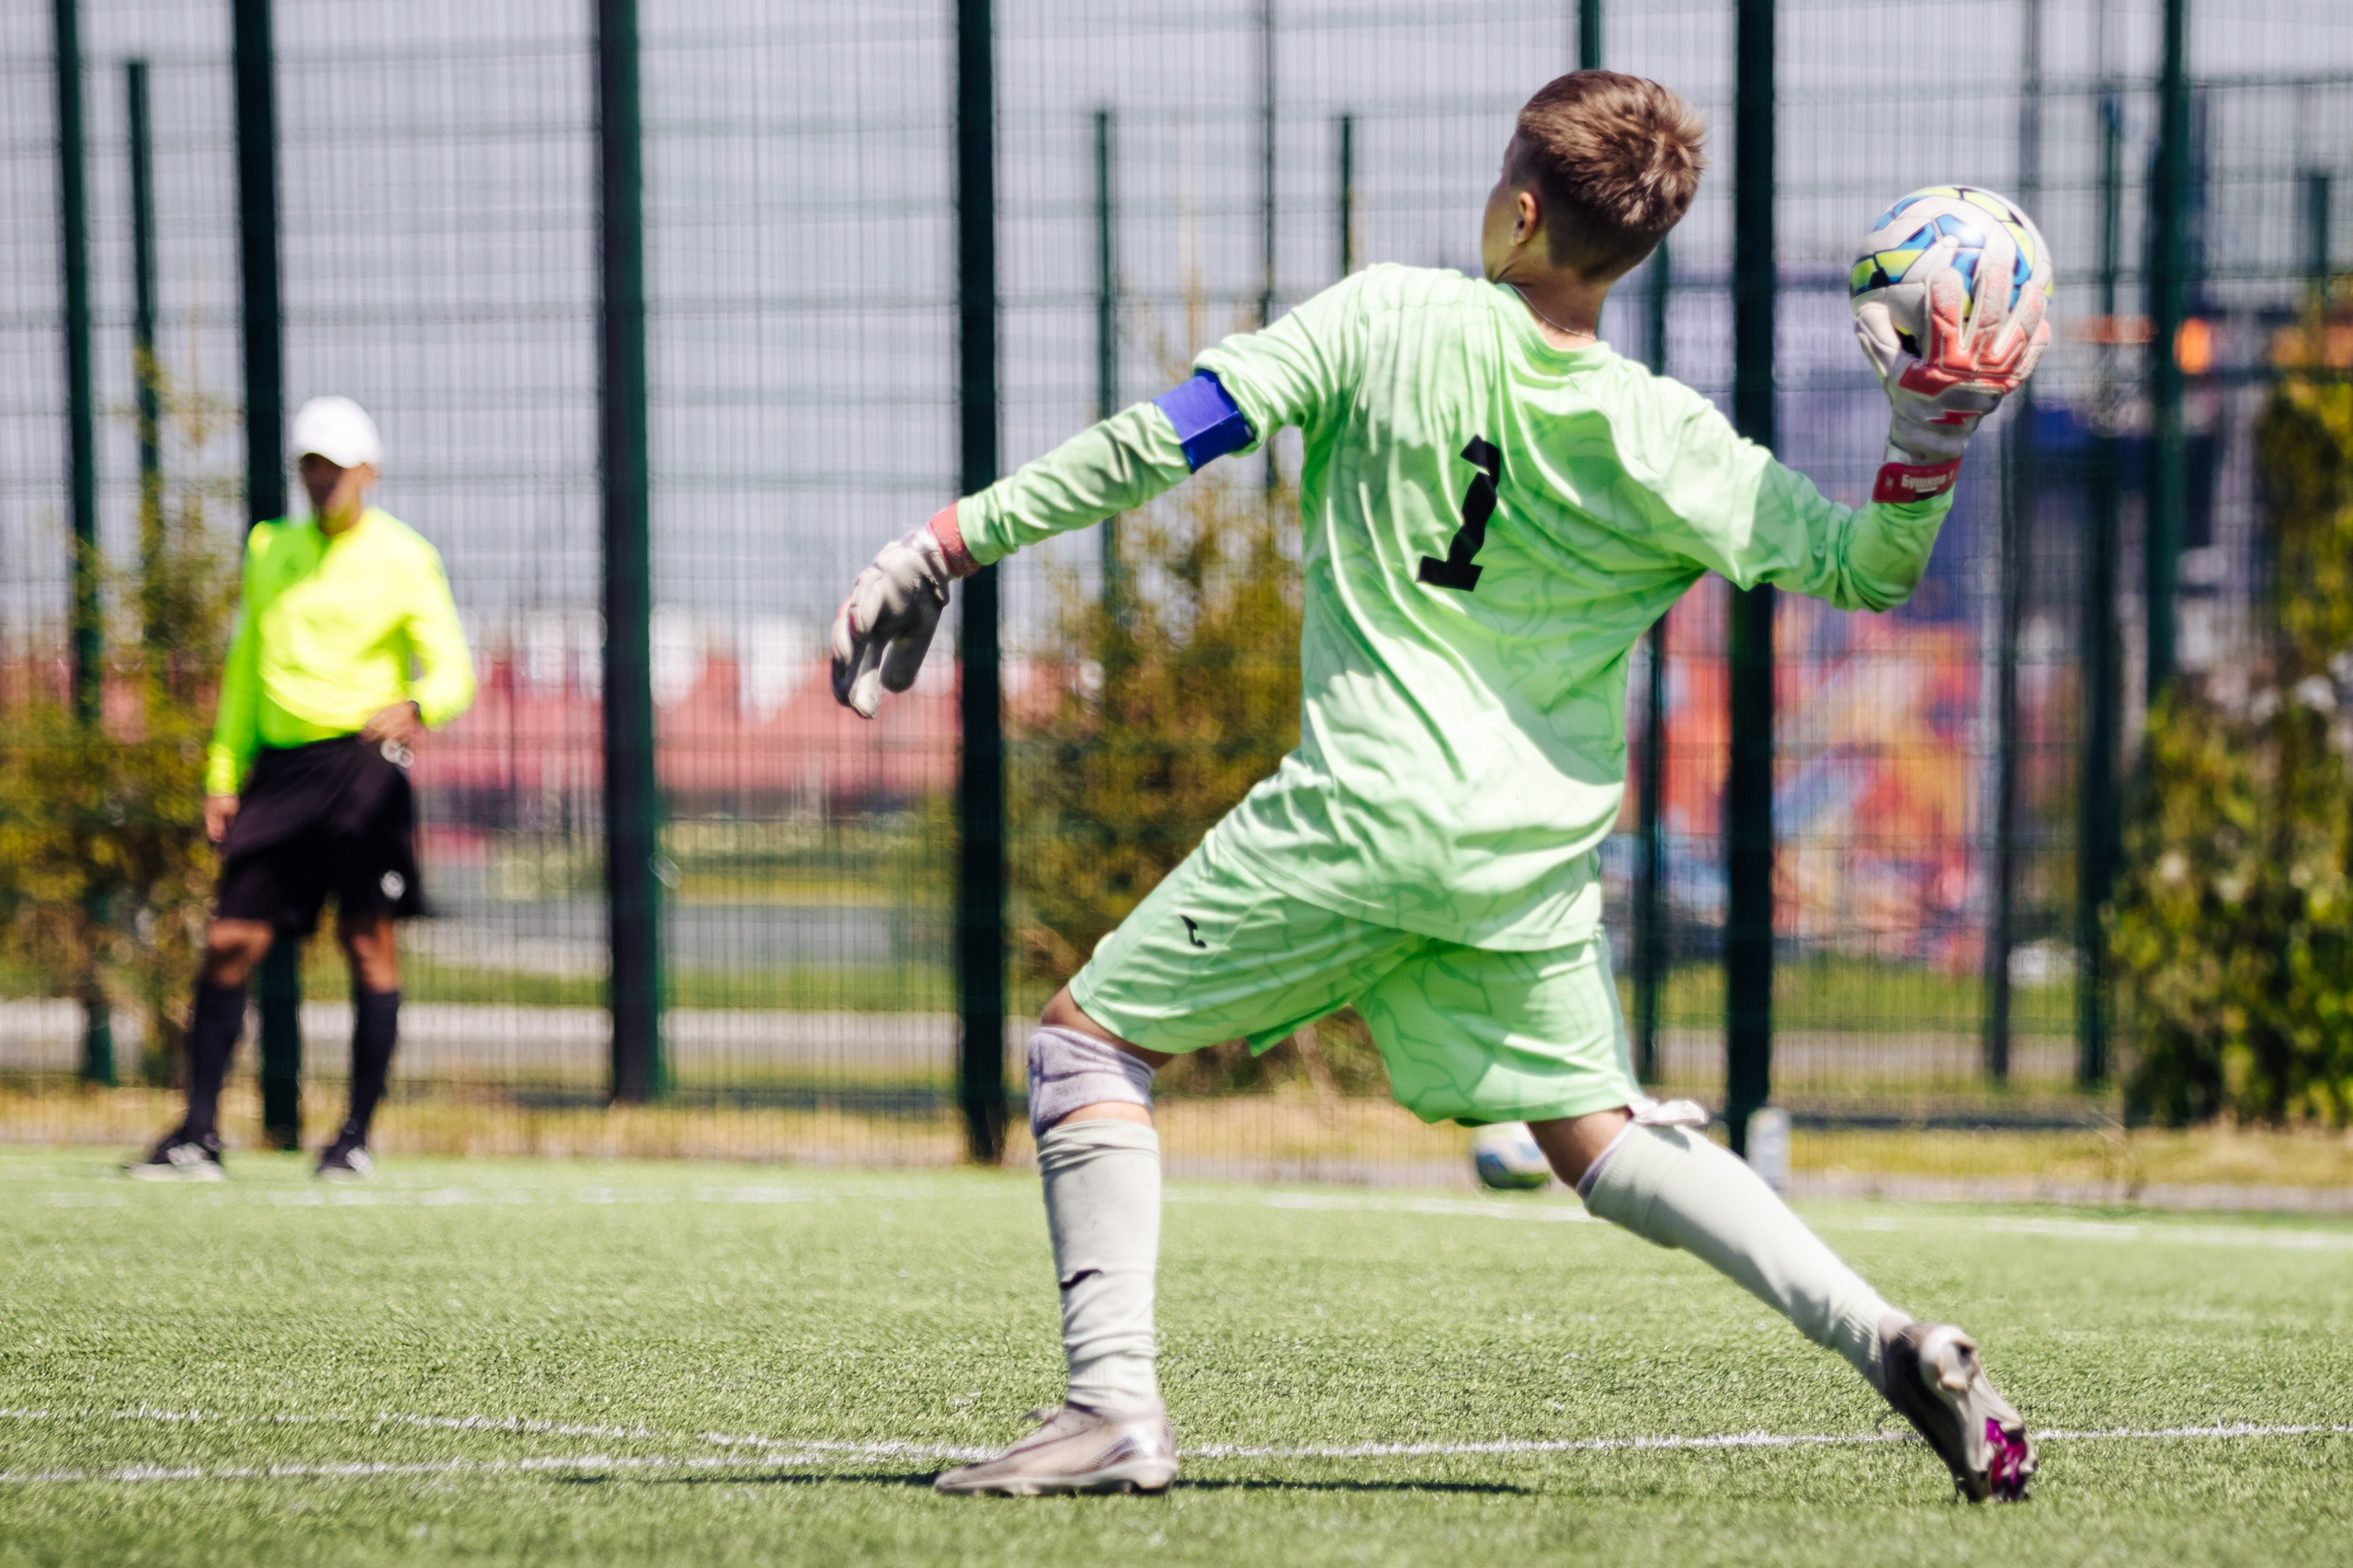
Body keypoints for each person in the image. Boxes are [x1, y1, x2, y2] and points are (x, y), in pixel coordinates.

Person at [831, 72, 2047, 1502]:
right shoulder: (1668, 439)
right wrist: (1931, 439)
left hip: (1360, 816)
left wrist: (947, 545)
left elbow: (1167, 439)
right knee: (1596, 1136)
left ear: (1519, 208)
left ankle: (1111, 1405)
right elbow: (1867, 569)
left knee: (1089, 1046)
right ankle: (1888, 1336)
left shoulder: (1384, 316)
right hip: (1521, 867)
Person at [127, 395, 475, 1183]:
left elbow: (453, 667)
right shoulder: (268, 549)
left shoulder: (404, 555)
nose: (322, 481)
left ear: (368, 473)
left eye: (336, 467)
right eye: (310, 467)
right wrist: (223, 772)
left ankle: (353, 1138)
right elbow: (245, 669)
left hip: (361, 770)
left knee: (366, 943)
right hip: (280, 773)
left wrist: (420, 704)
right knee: (228, 942)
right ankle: (199, 1135)